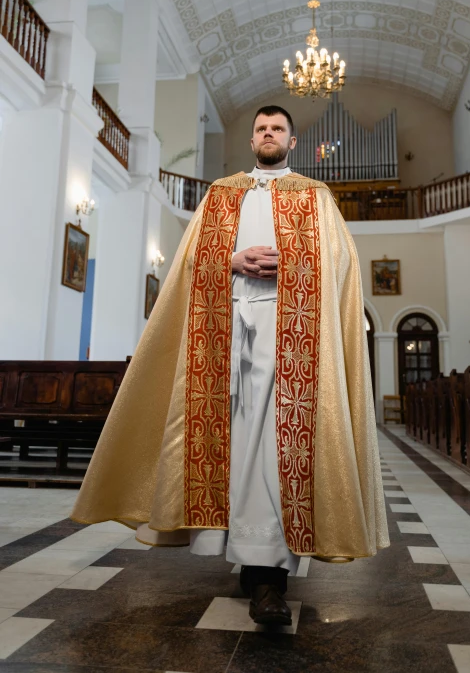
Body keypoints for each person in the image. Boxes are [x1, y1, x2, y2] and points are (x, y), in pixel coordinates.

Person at [71, 105, 390, 626]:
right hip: (221, 335)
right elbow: (189, 261)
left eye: (278, 130)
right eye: (261, 128)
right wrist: (229, 260)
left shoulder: (316, 197)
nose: (268, 135)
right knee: (234, 444)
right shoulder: (221, 194)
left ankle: (270, 579)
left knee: (273, 448)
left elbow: (340, 263)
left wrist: (293, 263)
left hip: (292, 340)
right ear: (252, 140)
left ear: (293, 143)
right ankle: (248, 557)